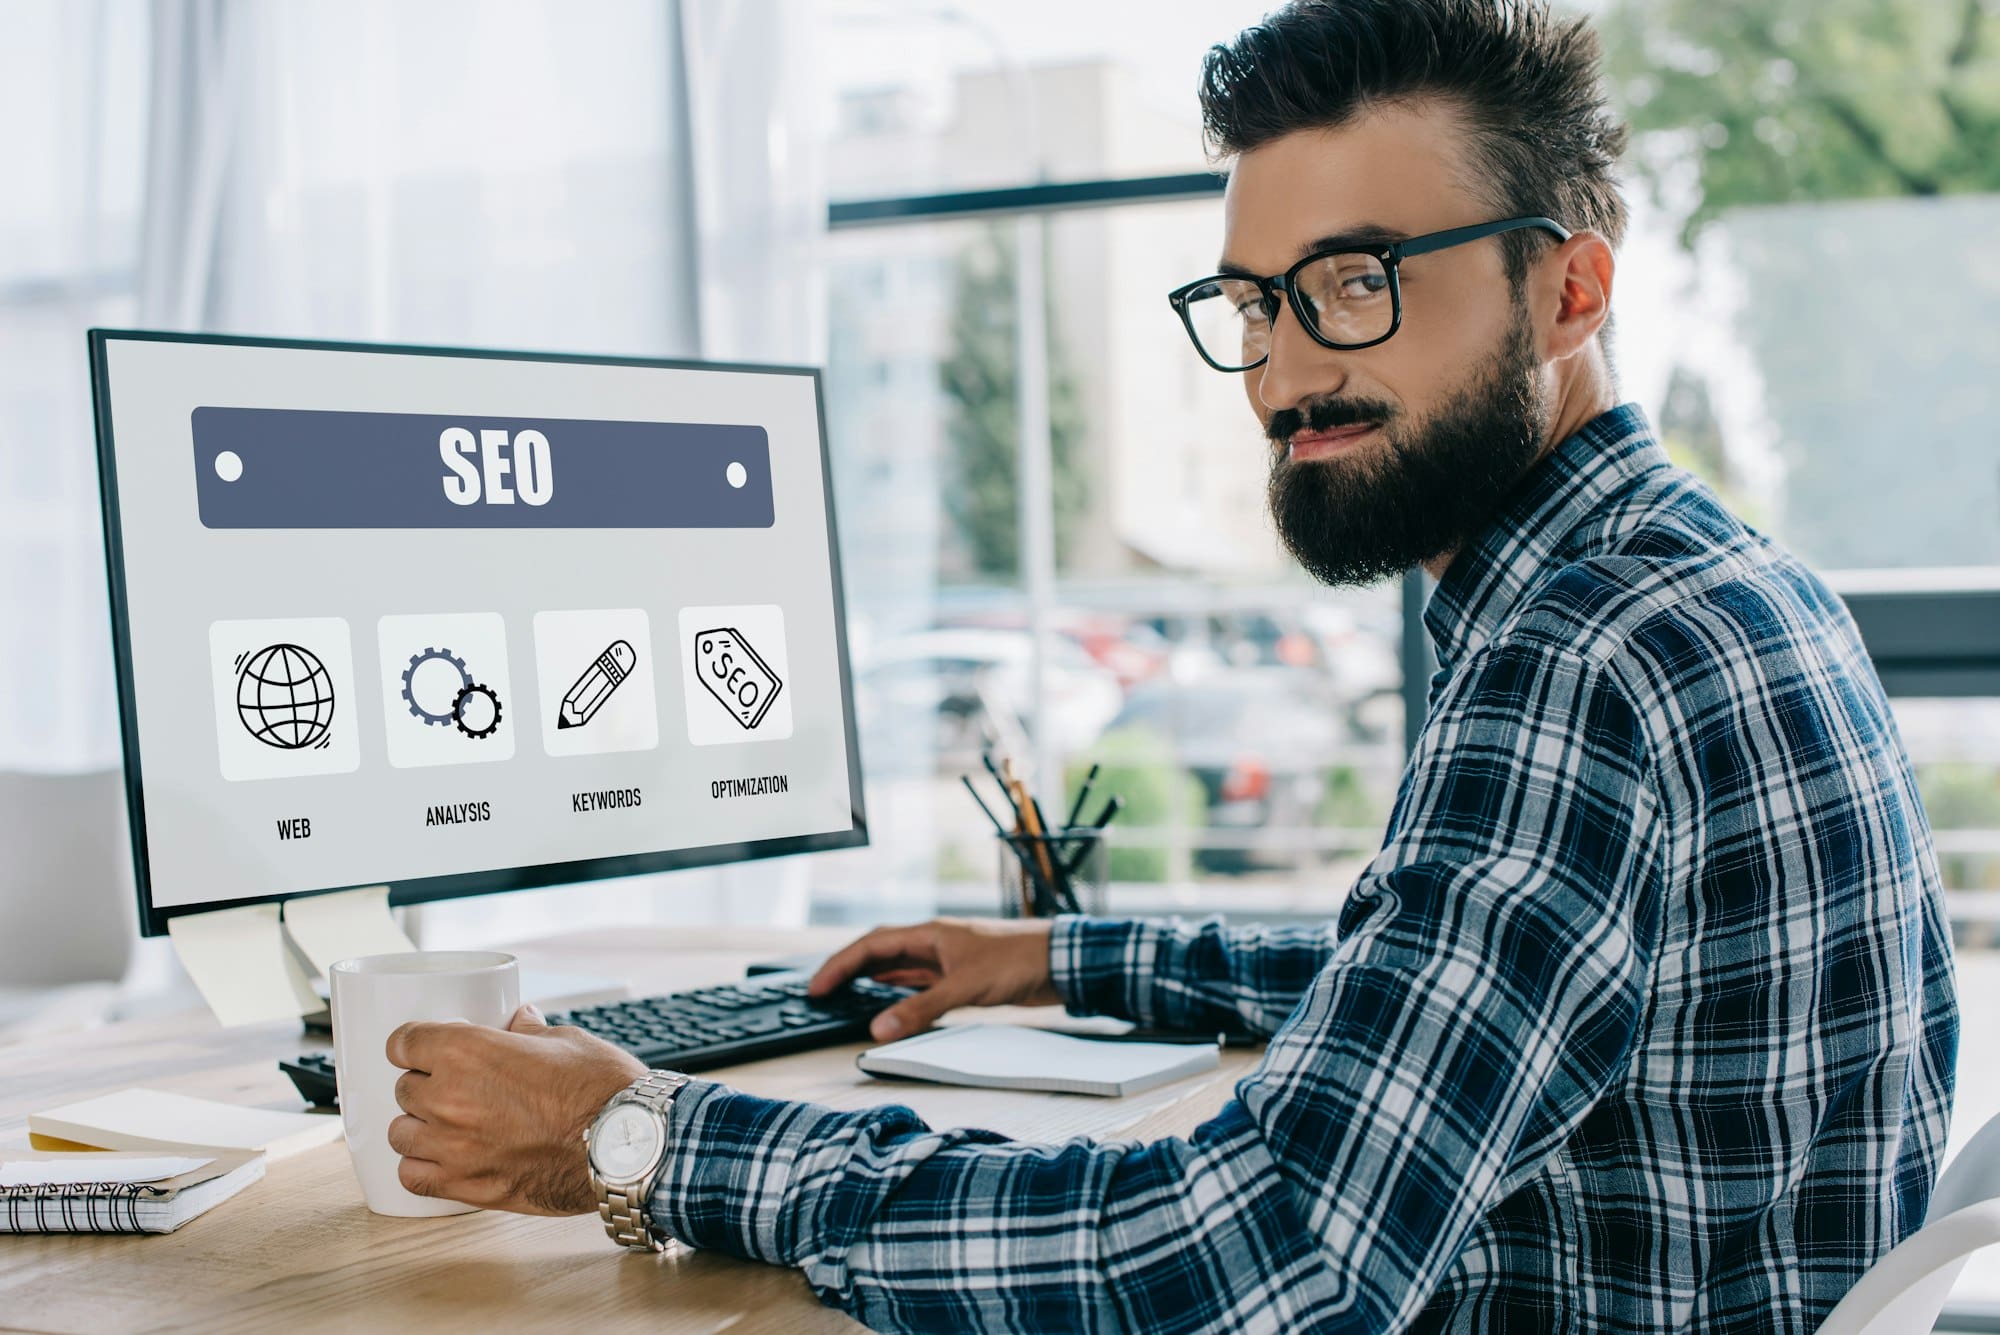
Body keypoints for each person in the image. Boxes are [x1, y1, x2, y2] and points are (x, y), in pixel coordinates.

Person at [381, 2, 1958, 1329]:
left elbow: (1269, 1252)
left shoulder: (1580, 659)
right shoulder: (1717, 582)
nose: (1284, 366)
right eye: (1253, 301)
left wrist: (646, 1138)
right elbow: (1467, 988)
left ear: (1570, 288)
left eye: (1358, 280)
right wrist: (1066, 960)